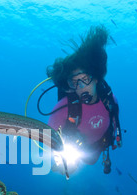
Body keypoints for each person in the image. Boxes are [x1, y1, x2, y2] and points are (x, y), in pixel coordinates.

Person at [46, 25, 122, 175]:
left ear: (96, 78)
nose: (81, 87)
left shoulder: (110, 100)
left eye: (85, 79)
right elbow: (49, 141)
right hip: (77, 151)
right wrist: (59, 160)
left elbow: (114, 121)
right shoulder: (62, 109)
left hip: (100, 147)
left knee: (92, 159)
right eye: (75, 82)